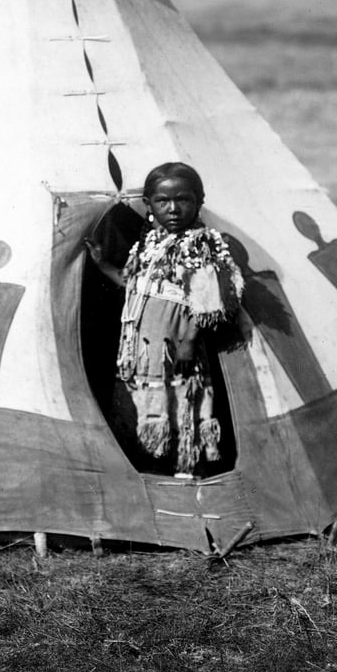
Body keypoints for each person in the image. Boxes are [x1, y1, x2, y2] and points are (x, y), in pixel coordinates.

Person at [85, 162, 244, 476]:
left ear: (199, 201)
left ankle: (182, 463)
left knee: (179, 398)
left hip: (176, 344)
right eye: (163, 201)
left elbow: (207, 296)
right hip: (143, 346)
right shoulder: (149, 244)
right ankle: (150, 461)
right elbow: (135, 286)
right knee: (146, 401)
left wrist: (188, 341)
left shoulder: (200, 244)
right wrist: (103, 266)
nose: (173, 209)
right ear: (148, 205)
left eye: (183, 200)